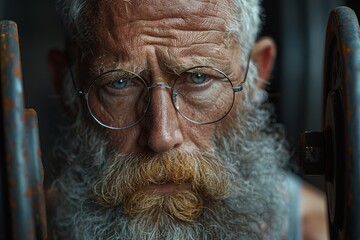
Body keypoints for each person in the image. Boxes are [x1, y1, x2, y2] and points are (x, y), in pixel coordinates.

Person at [47, 0, 328, 239]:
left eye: (198, 78)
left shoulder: (321, 233)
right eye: (119, 83)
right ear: (64, 86)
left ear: (257, 76)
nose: (161, 136)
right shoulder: (28, 226)